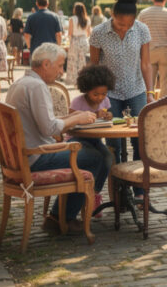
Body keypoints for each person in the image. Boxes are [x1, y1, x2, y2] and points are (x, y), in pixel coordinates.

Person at [5, 43, 103, 234]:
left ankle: (60, 215)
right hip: (35, 159)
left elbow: (44, 123)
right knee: (95, 157)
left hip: (20, 158)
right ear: (46, 64)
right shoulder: (37, 87)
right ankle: (61, 217)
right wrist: (77, 117)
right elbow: (49, 128)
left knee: (86, 149)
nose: (61, 71)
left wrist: (71, 118)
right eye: (59, 66)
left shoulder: (20, 83)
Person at [90, 0, 153, 203]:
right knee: (113, 144)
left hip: (136, 91)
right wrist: (95, 99)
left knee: (140, 141)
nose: (124, 28)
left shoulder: (142, 30)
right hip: (110, 95)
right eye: (119, 24)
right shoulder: (98, 32)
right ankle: (116, 190)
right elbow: (94, 66)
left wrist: (150, 93)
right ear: (112, 16)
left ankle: (139, 189)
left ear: (135, 19)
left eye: (128, 25)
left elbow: (146, 64)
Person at [69, 65, 116, 217]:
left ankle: (95, 193)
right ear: (86, 89)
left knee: (108, 157)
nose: (100, 97)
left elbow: (108, 114)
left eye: (104, 93)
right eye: (96, 94)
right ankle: (83, 195)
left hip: (95, 140)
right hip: (78, 140)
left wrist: (108, 116)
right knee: (95, 159)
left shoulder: (106, 101)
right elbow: (70, 121)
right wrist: (92, 114)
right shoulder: (77, 102)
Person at [138, 0, 167, 98]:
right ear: (165, 0)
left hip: (149, 52)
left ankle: (149, 106)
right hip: (166, 51)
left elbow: (138, 32)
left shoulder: (143, 14)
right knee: (165, 84)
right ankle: (163, 107)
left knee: (149, 83)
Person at [65, 2, 91, 86]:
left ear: (75, 10)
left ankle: (73, 81)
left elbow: (70, 33)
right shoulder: (87, 19)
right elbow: (88, 33)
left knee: (73, 61)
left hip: (75, 41)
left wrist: (70, 41)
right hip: (84, 41)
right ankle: (82, 81)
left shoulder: (72, 19)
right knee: (82, 61)